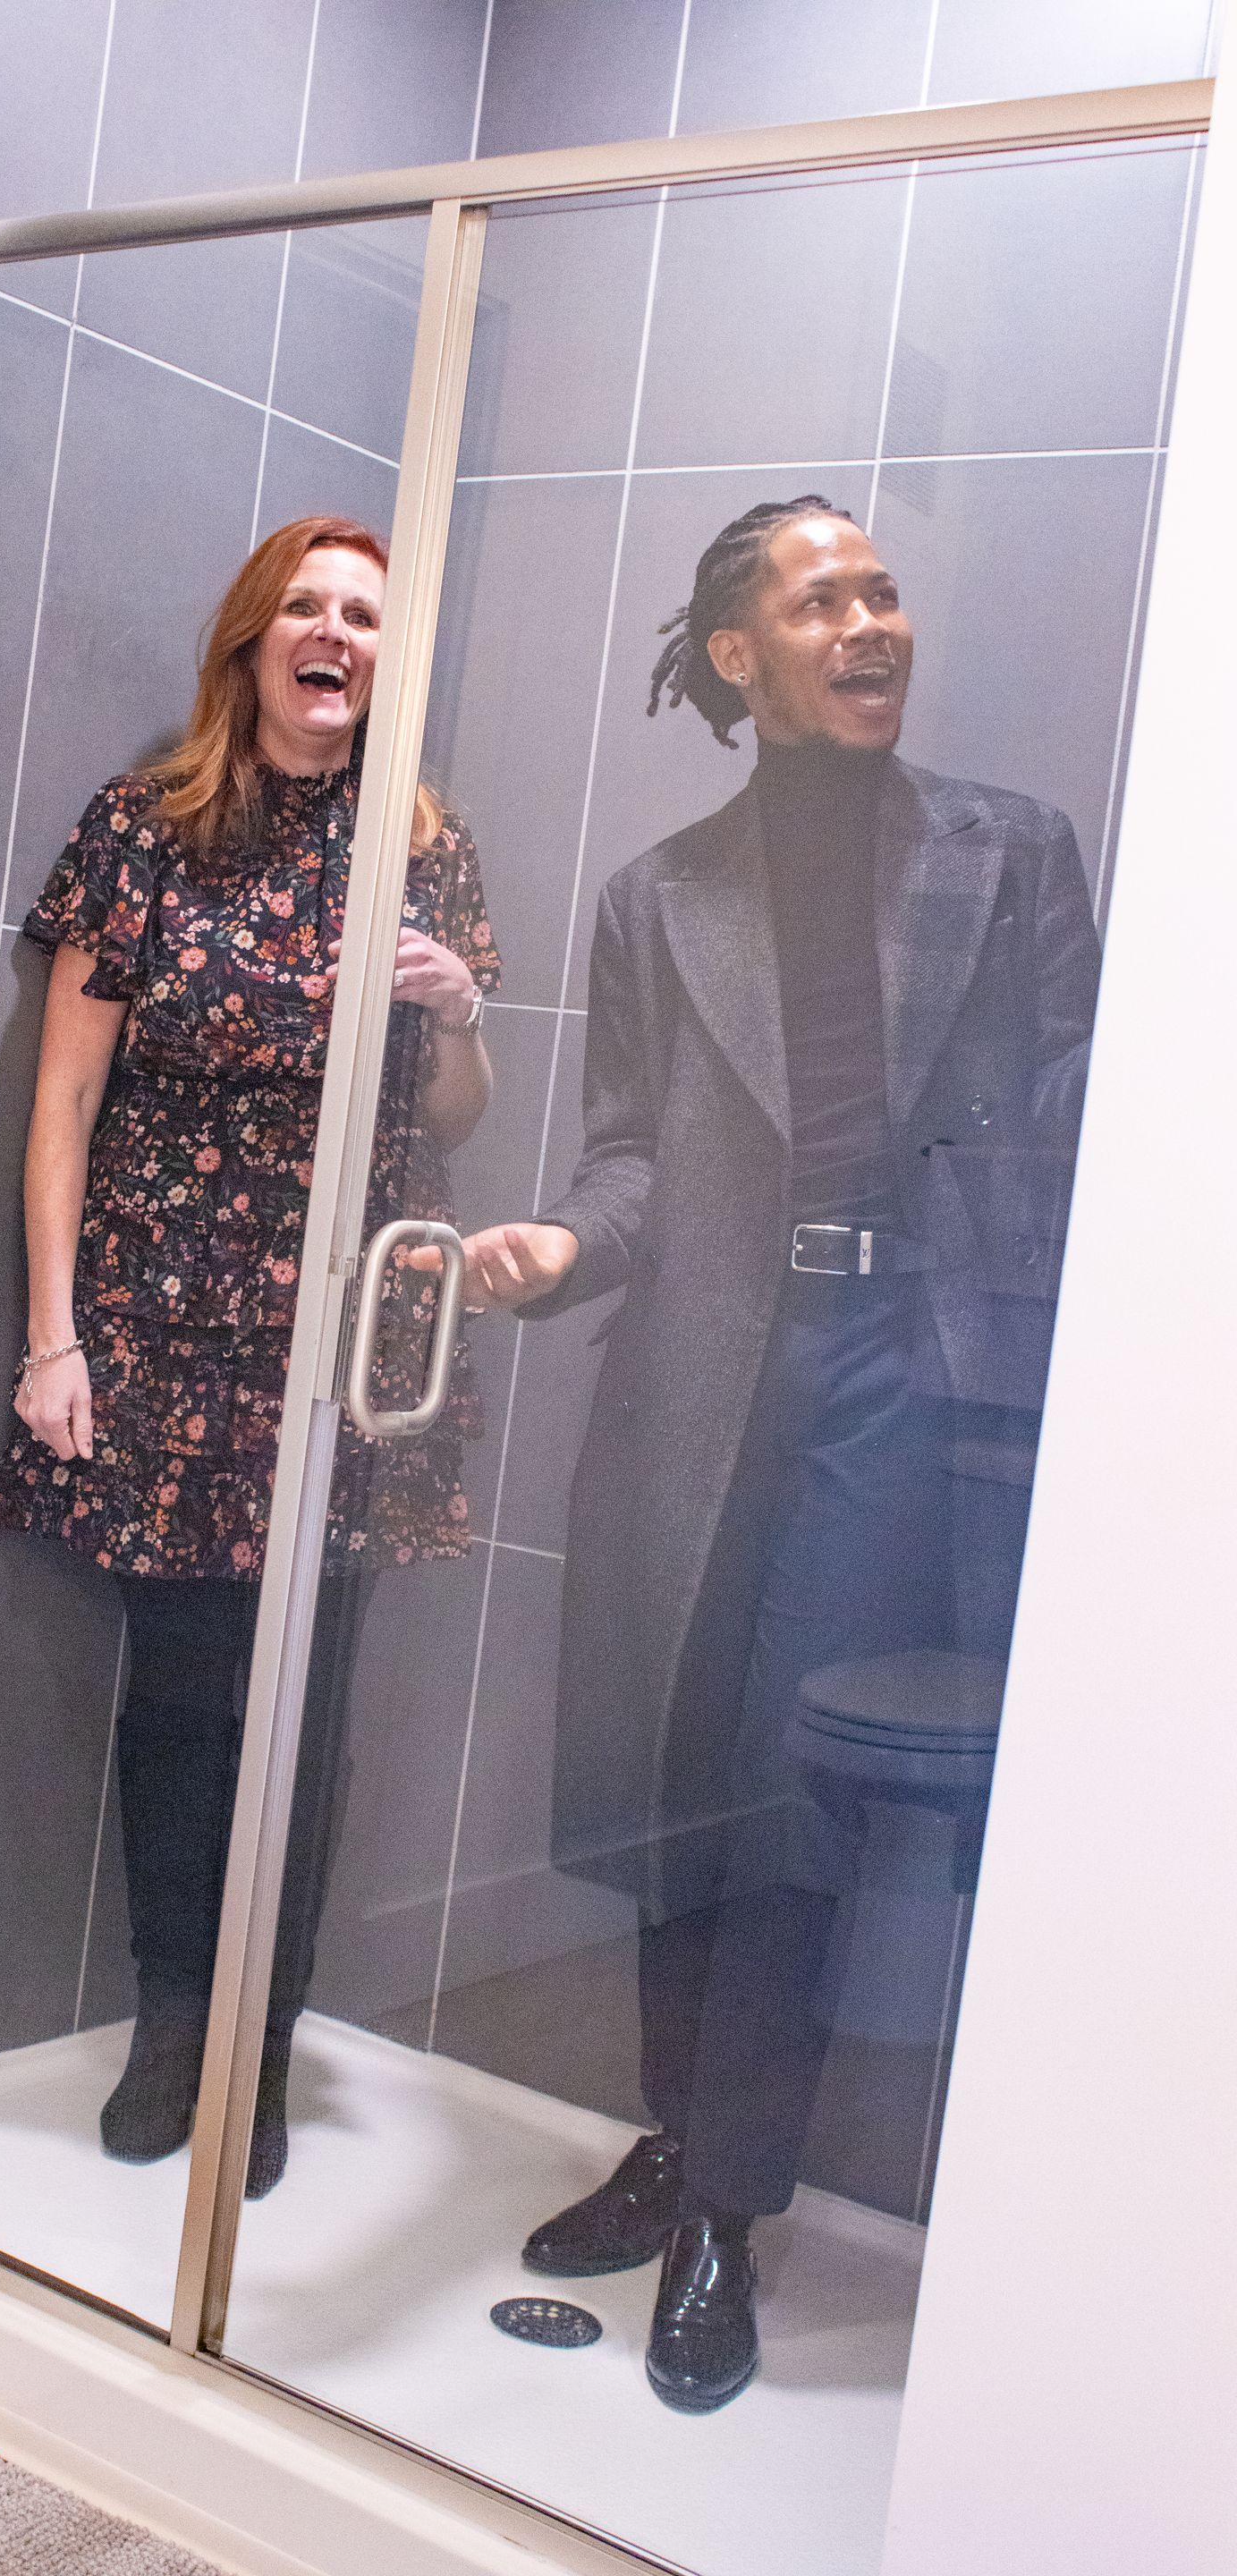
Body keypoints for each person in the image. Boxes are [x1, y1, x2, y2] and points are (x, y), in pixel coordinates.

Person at [451, 497, 1097, 2408]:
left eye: (884, 591)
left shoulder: (1010, 850)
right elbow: (638, 1155)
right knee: (676, 1768)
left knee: (784, 1791)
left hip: (906, 1370)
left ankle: (733, 2201)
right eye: (824, 601)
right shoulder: (660, 897)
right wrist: (564, 1247)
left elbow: (1071, 1126)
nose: (871, 622)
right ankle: (677, 2135)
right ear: (738, 655)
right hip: (702, 1371)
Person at [0, 516, 498, 2199]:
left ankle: (261, 2049)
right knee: (187, 1692)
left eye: (362, 612)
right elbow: (61, 1103)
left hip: (348, 1342)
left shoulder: (425, 847)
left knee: (312, 1703)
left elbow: (455, 1122)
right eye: (307, 606)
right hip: (160, 1311)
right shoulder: (143, 828)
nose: (333, 631)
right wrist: (50, 1334)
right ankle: (168, 2021)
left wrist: (457, 1019)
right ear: (251, 642)